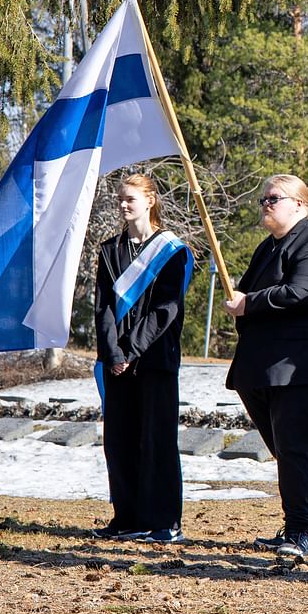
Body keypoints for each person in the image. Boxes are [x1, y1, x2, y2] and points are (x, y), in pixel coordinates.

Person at [225, 174, 308, 562]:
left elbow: (305, 291)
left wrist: (249, 303)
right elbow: (247, 296)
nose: (265, 205)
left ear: (300, 204)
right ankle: (303, 524)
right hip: (268, 367)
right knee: (288, 451)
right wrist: (242, 303)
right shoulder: (268, 248)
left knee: (297, 449)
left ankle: (300, 530)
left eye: (273, 198)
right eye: (263, 200)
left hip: (307, 367)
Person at [91, 173, 193, 543]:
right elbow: (102, 306)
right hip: (117, 362)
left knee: (157, 439)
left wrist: (131, 349)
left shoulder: (172, 250)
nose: (123, 205)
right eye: (120, 198)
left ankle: (165, 520)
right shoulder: (108, 249)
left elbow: (166, 310)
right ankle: (128, 518)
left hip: (155, 359)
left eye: (131, 198)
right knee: (119, 441)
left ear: (150, 201)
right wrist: (114, 352)